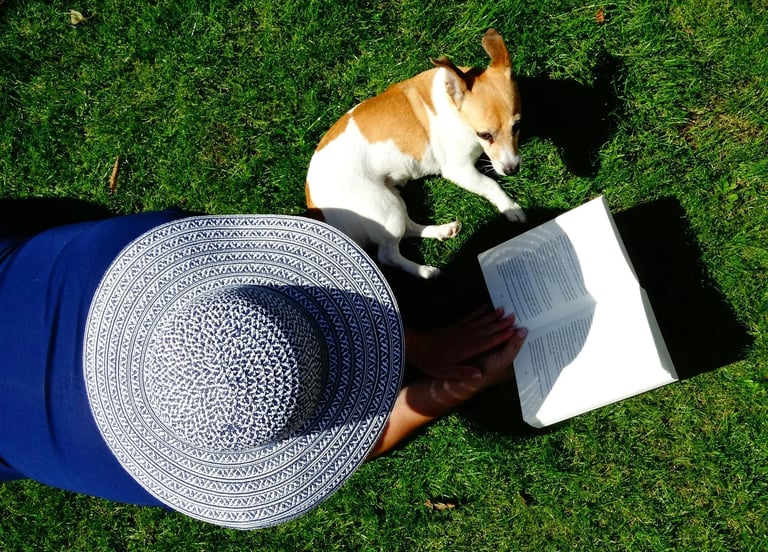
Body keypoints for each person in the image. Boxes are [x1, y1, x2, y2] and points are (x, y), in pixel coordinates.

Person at [0, 207, 526, 529]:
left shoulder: (143, 242)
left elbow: (343, 440)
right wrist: (454, 385)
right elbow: (350, 444)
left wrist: (419, 348)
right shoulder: (147, 243)